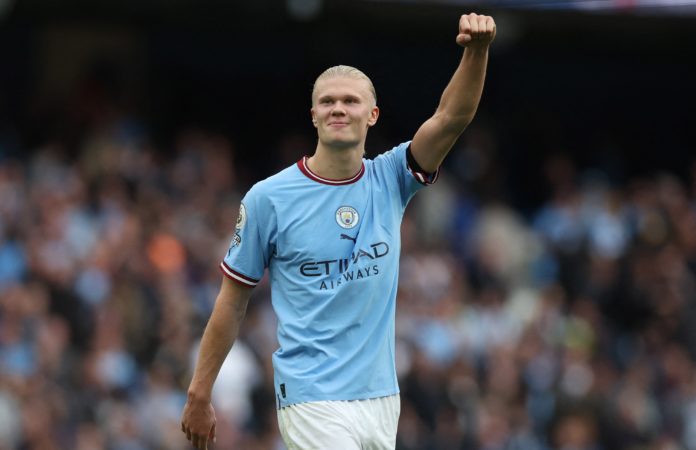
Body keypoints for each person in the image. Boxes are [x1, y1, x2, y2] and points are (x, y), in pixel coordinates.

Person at [181, 12, 496, 450]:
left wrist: (476, 51)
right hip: (310, 395)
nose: (338, 109)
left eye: (350, 101)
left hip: (381, 396)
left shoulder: (391, 178)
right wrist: (200, 390)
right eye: (328, 102)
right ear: (313, 115)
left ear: (372, 114)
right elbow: (232, 301)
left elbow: (451, 117)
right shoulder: (268, 199)